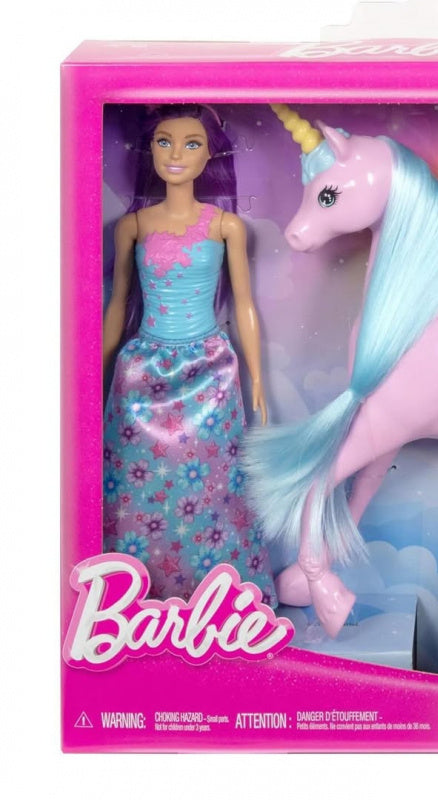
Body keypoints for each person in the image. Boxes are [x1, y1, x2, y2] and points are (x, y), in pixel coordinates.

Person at [102, 104, 275, 605]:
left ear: (210, 155)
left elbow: (244, 305)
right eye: (164, 141)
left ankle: (216, 596)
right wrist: (95, 373)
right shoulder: (133, 225)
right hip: (142, 373)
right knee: (134, 485)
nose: (176, 153)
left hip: (209, 371)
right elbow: (119, 303)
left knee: (214, 485)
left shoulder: (226, 225)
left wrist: (257, 380)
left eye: (191, 143)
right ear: (150, 149)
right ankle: (135, 596)